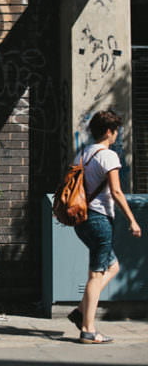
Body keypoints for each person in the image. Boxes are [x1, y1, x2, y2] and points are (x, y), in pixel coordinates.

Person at [67, 110, 142, 344]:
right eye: (116, 131)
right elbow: (117, 191)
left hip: (82, 219)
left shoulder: (83, 154)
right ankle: (88, 329)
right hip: (99, 219)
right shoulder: (107, 156)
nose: (117, 135)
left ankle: (81, 311)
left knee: (113, 266)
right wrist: (132, 219)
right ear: (109, 132)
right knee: (96, 275)